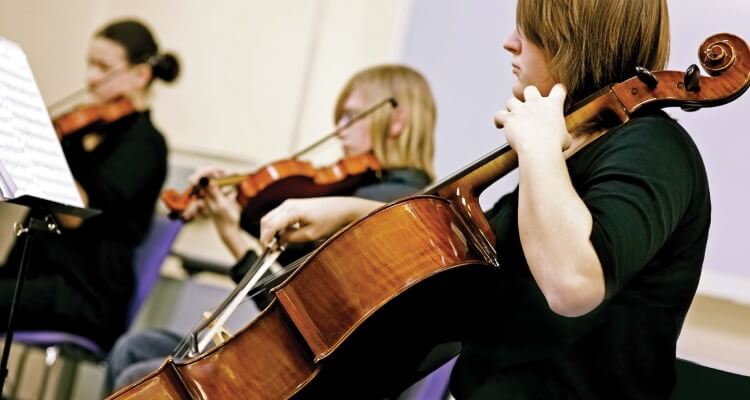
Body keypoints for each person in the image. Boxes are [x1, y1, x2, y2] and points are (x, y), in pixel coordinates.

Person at [259, 0, 711, 398]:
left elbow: (573, 284)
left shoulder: (652, 148)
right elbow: (461, 243)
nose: (509, 43)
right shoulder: (564, 155)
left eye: (528, 31)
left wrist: (537, 149)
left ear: (575, 40)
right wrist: (345, 213)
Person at [103, 64, 438, 394]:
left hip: (306, 379)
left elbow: (296, 315)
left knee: (139, 377)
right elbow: (285, 257)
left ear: (397, 121)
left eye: (351, 117)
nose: (339, 131)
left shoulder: (389, 209)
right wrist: (231, 207)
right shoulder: (361, 191)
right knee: (136, 349)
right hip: (285, 364)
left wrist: (231, 234)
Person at [0, 19, 179, 351]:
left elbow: (73, 214)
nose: (91, 77)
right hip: (37, 276)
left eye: (104, 67)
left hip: (86, 293)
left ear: (141, 75)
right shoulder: (80, 131)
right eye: (90, 64)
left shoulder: (144, 145)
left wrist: (38, 142)